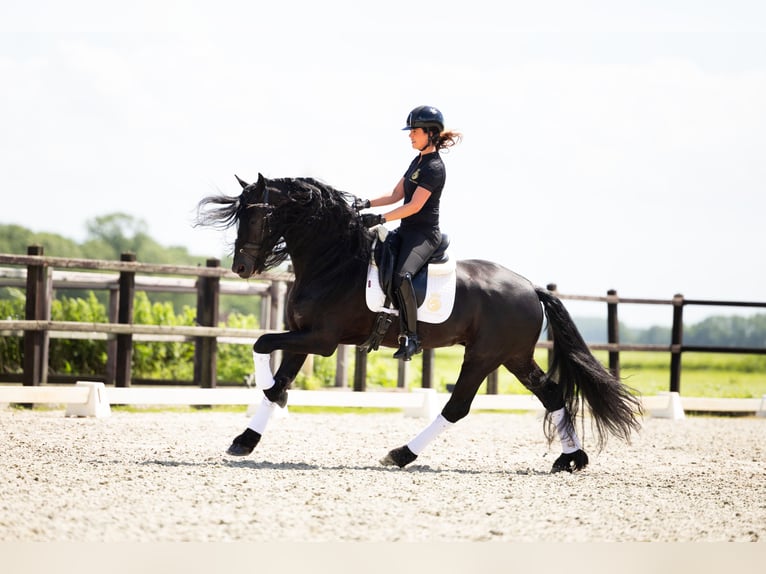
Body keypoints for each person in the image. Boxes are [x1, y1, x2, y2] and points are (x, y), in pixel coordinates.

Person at [355, 105, 462, 361]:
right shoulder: (418, 161)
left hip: (424, 236)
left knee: (403, 276)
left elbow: (414, 206)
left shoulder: (435, 167)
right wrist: (365, 203)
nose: (410, 135)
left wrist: (379, 218)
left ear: (430, 133)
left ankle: (412, 337)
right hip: (405, 230)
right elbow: (396, 195)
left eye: (414, 131)